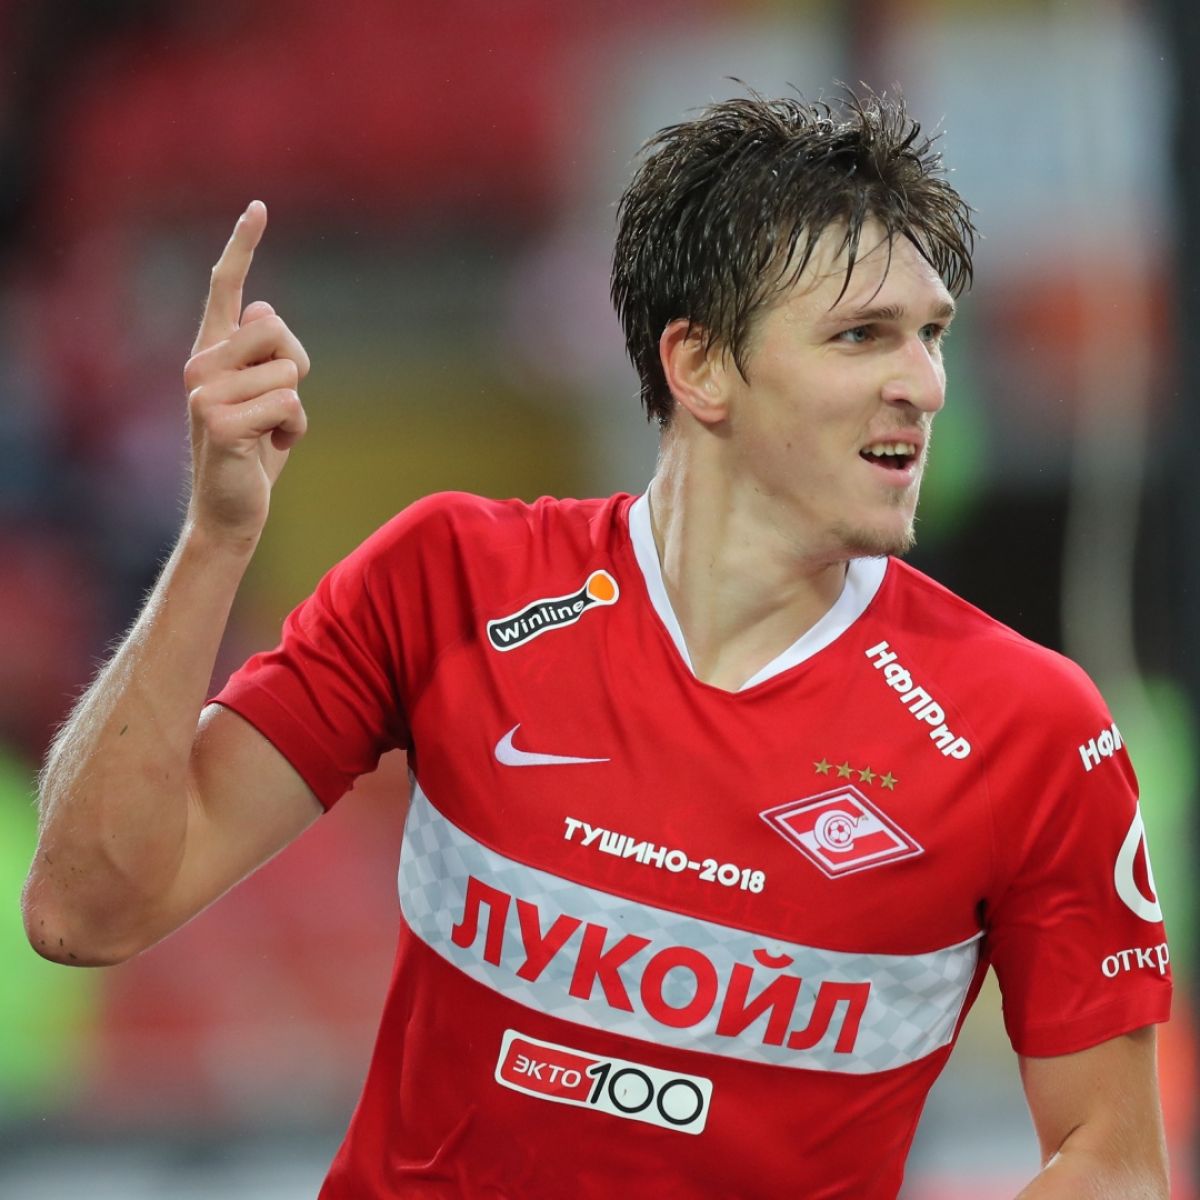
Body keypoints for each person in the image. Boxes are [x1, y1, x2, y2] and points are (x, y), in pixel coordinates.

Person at [23, 91, 1172, 1198]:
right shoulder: (452, 580)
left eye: (930, 336)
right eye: (861, 335)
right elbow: (85, 912)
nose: (921, 384)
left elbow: (1114, 1160)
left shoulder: (1028, 726)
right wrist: (215, 540)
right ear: (699, 366)